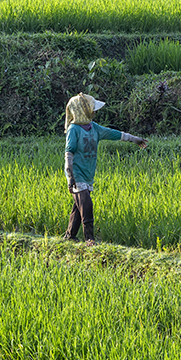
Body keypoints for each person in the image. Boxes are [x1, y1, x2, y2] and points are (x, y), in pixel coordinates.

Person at [64, 93, 148, 246]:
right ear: (82, 110)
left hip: (88, 173)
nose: (94, 112)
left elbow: (113, 133)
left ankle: (69, 236)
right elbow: (68, 153)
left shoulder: (93, 128)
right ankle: (89, 239)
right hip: (77, 174)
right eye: (92, 109)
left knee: (79, 206)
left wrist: (134, 139)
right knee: (86, 206)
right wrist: (70, 176)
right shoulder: (74, 129)